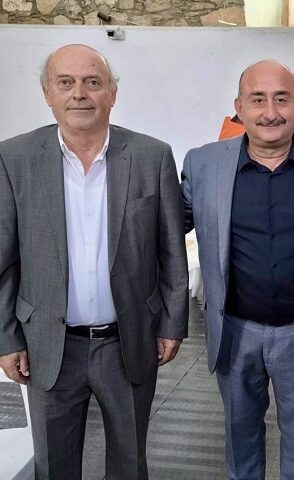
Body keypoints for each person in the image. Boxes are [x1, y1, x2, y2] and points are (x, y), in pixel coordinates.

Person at [0, 44, 188, 479]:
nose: (79, 93)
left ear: (112, 94)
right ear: (48, 94)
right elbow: (4, 259)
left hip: (129, 342)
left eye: (93, 82)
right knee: (54, 467)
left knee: (129, 464)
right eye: (65, 83)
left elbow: (171, 251)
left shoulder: (152, 156)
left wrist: (172, 323)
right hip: (48, 346)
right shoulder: (14, 158)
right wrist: (7, 337)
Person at [181, 60, 294, 480]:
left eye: (281, 99)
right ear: (239, 107)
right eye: (258, 100)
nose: (270, 112)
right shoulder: (203, 164)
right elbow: (161, 232)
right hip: (234, 332)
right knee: (240, 442)